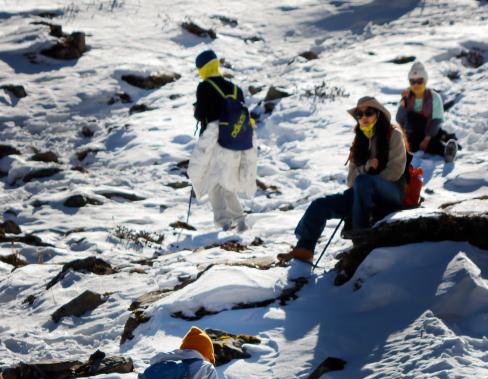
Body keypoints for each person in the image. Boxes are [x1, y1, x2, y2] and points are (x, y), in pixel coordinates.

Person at [277, 96, 408, 264]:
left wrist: (370, 182)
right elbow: (352, 180)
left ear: (379, 114)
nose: (363, 117)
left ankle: (360, 236)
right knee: (320, 204)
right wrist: (366, 168)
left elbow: (396, 170)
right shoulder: (359, 140)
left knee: (364, 183)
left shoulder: (393, 134)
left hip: (391, 190)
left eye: (368, 112)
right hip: (362, 190)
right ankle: (305, 248)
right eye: (359, 114)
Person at [188, 49, 256, 231]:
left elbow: (202, 115)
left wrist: (197, 110)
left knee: (213, 182)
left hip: (214, 141)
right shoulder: (235, 88)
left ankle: (223, 223)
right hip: (235, 142)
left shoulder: (204, 87)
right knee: (228, 181)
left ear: (202, 68)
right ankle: (240, 220)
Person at [396, 60, 458, 162]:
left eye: (419, 81)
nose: (416, 85)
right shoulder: (407, 96)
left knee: (430, 143)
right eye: (412, 81)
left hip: (430, 129)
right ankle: (444, 137)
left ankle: (447, 150)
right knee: (412, 145)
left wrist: (427, 139)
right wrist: (403, 104)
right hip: (413, 132)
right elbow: (400, 120)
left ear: (425, 81)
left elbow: (436, 120)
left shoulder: (434, 97)